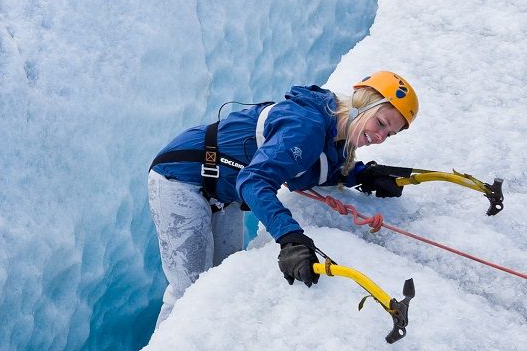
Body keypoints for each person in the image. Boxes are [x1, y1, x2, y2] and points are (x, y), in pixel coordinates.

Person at [147, 71, 420, 326]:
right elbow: (254, 180)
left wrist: (364, 175)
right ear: (363, 104)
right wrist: (289, 237)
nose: (380, 136)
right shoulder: (308, 126)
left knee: (217, 285)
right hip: (181, 177)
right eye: (381, 123)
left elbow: (311, 169)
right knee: (189, 292)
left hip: (222, 192)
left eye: (389, 134)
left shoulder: (334, 135)